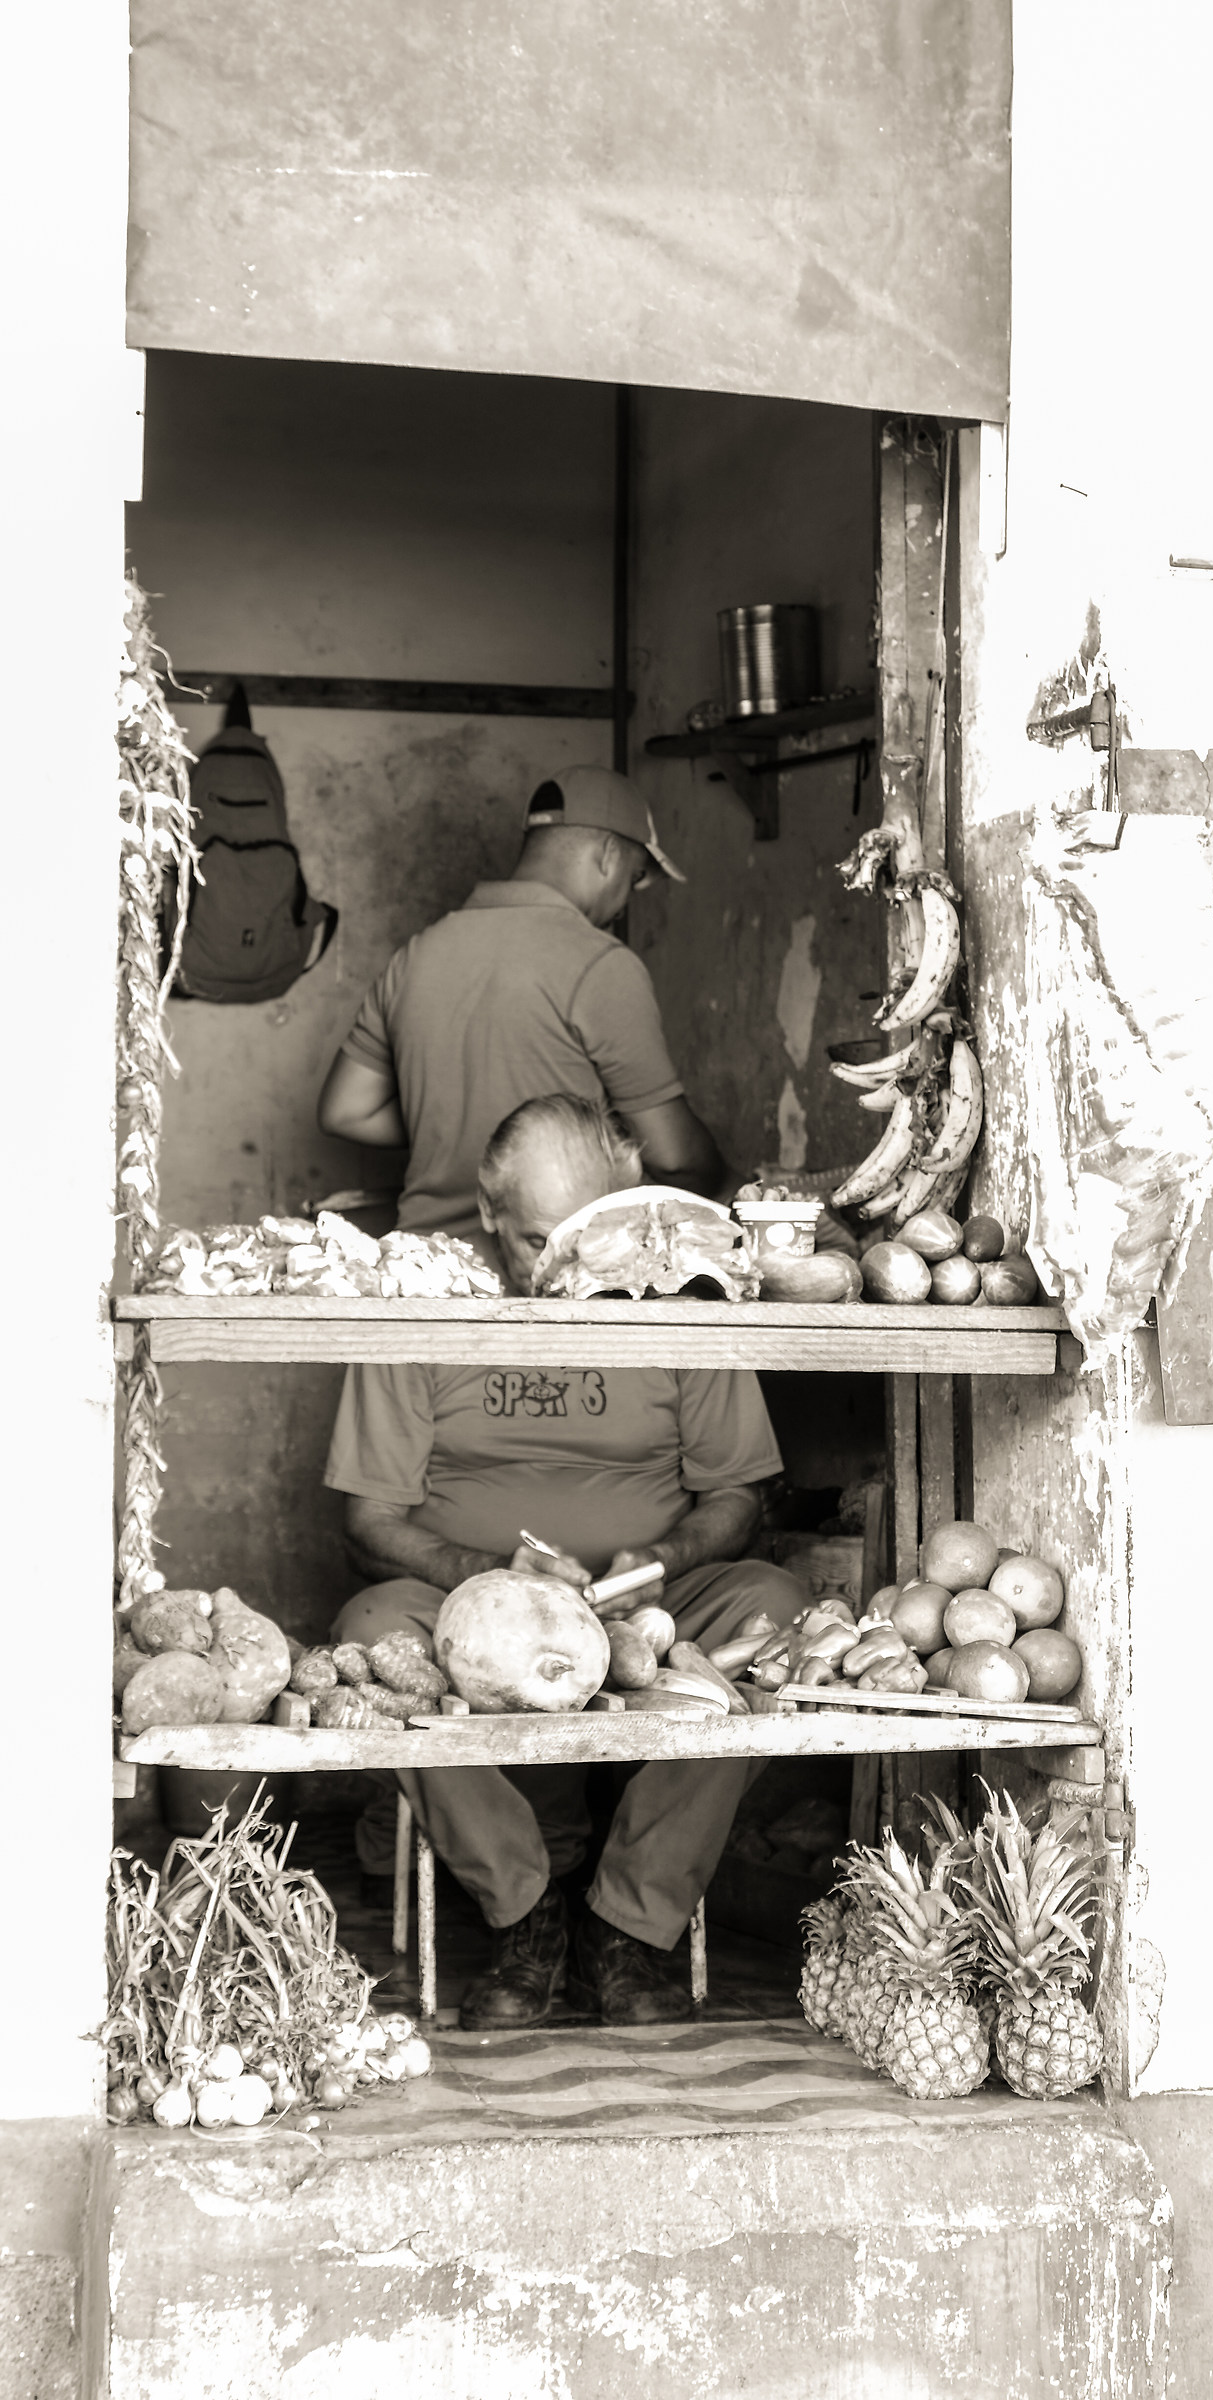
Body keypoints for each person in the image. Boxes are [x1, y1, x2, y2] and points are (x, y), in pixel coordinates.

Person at [324, 1094, 805, 2029]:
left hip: (647, 1599)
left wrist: (663, 1557)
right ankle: (523, 1909)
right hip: (470, 1599)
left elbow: (737, 1499)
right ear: (489, 1210)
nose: (562, 1270)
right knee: (373, 1631)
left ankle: (631, 1921)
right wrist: (489, 1570)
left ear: (630, 1201)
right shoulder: (423, 1299)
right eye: (538, 1240)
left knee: (775, 1614)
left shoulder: (680, 1297)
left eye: (591, 1237)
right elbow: (367, 1521)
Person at [317, 764, 724, 1242]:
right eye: (635, 879)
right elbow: (677, 1159)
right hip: (549, 1273)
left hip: (427, 1269)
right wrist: (730, 1180)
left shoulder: (418, 953)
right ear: (609, 855)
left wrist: (456, 1125)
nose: (624, 903)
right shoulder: (600, 963)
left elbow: (346, 1110)